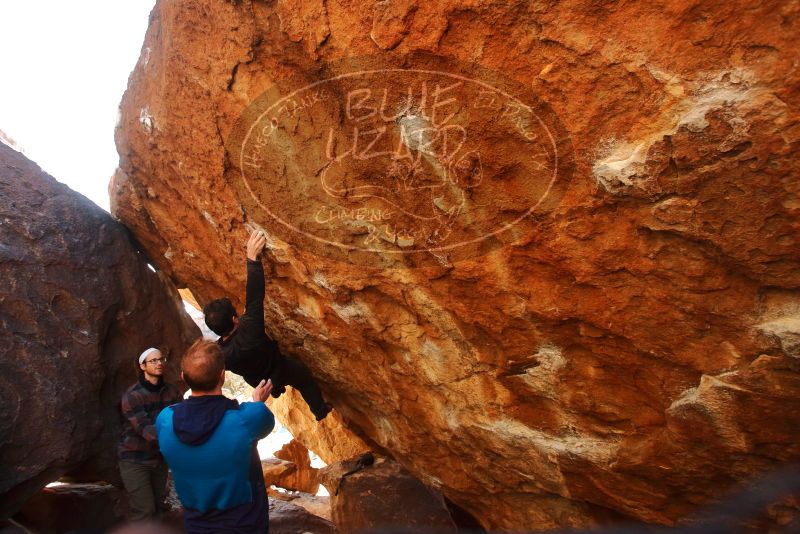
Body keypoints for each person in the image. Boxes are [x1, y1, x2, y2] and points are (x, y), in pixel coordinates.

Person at [202, 230, 331, 421]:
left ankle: (277, 389)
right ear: (234, 319)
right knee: (303, 377)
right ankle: (319, 411)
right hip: (279, 368)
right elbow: (255, 297)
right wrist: (252, 258)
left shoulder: (221, 355)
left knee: (276, 380)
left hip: (260, 382)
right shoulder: (249, 329)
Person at [156, 339, 275, 534]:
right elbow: (262, 419)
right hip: (244, 524)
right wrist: (257, 401)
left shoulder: (165, 420)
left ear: (183, 376)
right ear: (222, 376)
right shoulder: (247, 419)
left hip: (196, 524)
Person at [118, 347, 183, 521]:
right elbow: (147, 431)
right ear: (142, 366)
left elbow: (182, 420)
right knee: (144, 511)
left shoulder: (172, 392)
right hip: (135, 460)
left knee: (158, 509)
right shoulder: (132, 396)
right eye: (153, 361)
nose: (159, 363)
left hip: (159, 460)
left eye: (161, 359)